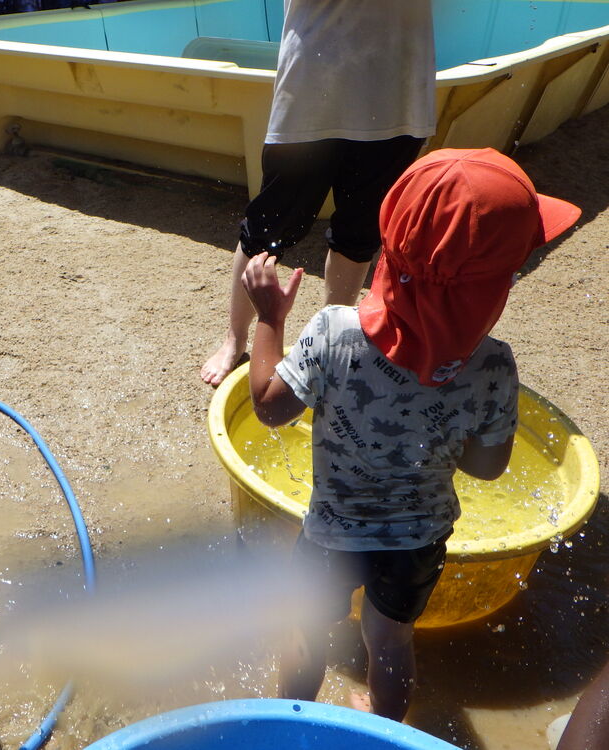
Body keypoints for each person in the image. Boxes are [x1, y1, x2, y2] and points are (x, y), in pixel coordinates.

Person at [240, 148, 580, 720]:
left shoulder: (334, 333)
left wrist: (271, 318)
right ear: (494, 286)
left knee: (305, 625)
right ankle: (381, 726)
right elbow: (487, 468)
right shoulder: (492, 365)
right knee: (391, 640)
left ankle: (289, 722)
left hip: (331, 533)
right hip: (417, 542)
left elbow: (270, 409)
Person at [201, 0, 437, 386]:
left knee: (361, 232)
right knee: (268, 227)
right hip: (314, 89)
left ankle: (329, 340)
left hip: (399, 88)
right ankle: (235, 337)